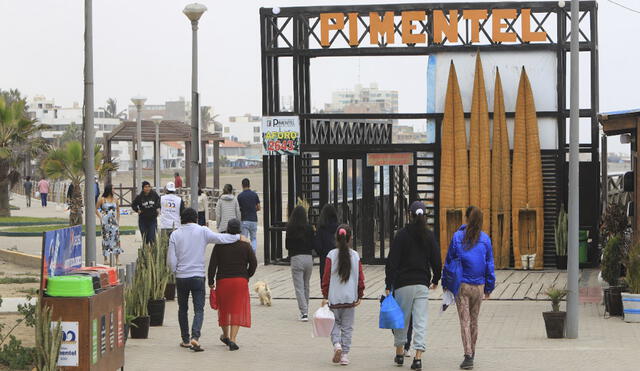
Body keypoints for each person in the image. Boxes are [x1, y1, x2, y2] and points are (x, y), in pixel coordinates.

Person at [168, 208, 244, 351]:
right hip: (197, 276)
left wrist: (175, 271)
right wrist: (238, 237)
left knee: (182, 309)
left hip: (182, 277)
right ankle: (195, 337)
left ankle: (185, 339)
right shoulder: (202, 231)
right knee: (199, 309)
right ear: (196, 218)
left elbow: (171, 260)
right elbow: (221, 238)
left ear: (182, 219)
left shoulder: (175, 234)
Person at [385, 201, 441, 371]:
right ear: (425, 215)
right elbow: (437, 260)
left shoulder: (401, 235)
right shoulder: (429, 235)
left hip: (403, 284)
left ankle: (400, 353)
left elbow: (392, 261)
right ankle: (417, 358)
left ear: (409, 214)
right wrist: (436, 279)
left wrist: (389, 283)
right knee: (421, 321)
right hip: (422, 284)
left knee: (402, 320)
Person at [442, 206, 495, 370]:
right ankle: (473, 351)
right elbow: (490, 265)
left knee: (464, 321)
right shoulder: (485, 239)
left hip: (462, 285)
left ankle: (468, 355)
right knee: (474, 321)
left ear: (466, 219)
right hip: (479, 286)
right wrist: (489, 287)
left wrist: (445, 283)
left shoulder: (457, 237)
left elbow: (449, 261)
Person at [208, 218, 257, 351]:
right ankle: (233, 339)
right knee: (236, 309)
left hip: (223, 281)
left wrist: (210, 281)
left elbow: (212, 264)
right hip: (240, 281)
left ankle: (225, 336)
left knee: (224, 309)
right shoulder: (246, 245)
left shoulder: (219, 245)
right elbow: (254, 263)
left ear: (228, 229)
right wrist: (247, 275)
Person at [321, 224, 365, 366]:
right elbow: (360, 277)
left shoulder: (331, 255)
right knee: (347, 327)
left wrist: (325, 294)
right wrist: (360, 294)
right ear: (350, 238)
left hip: (334, 298)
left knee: (333, 324)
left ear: (336, 238)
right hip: (349, 298)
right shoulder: (355, 256)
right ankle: (345, 354)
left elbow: (326, 277)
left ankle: (337, 345)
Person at [285, 205, 315, 321]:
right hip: (308, 258)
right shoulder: (309, 228)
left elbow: (287, 246)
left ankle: (304, 312)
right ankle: (305, 309)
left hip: (296, 258)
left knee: (299, 287)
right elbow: (313, 244)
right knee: (306, 285)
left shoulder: (290, 228)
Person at [95, 184, 122, 266]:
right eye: (113, 188)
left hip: (114, 222)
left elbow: (118, 211)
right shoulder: (102, 199)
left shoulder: (115, 199)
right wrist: (100, 217)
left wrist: (118, 220)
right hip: (105, 222)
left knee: (116, 239)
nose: (114, 189)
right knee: (106, 239)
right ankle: (105, 258)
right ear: (109, 189)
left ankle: (117, 258)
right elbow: (95, 209)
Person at [314, 204, 339, 282]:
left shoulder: (321, 229)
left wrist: (321, 253)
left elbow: (318, 246)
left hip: (325, 258)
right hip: (338, 258)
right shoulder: (339, 227)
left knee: (325, 281)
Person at [236, 178, 260, 253]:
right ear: (249, 185)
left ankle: (245, 255)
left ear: (242, 185)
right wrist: (253, 210)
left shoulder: (240, 196)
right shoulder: (254, 194)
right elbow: (259, 207)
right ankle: (253, 254)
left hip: (244, 220)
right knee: (253, 238)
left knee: (244, 239)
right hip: (254, 220)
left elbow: (238, 209)